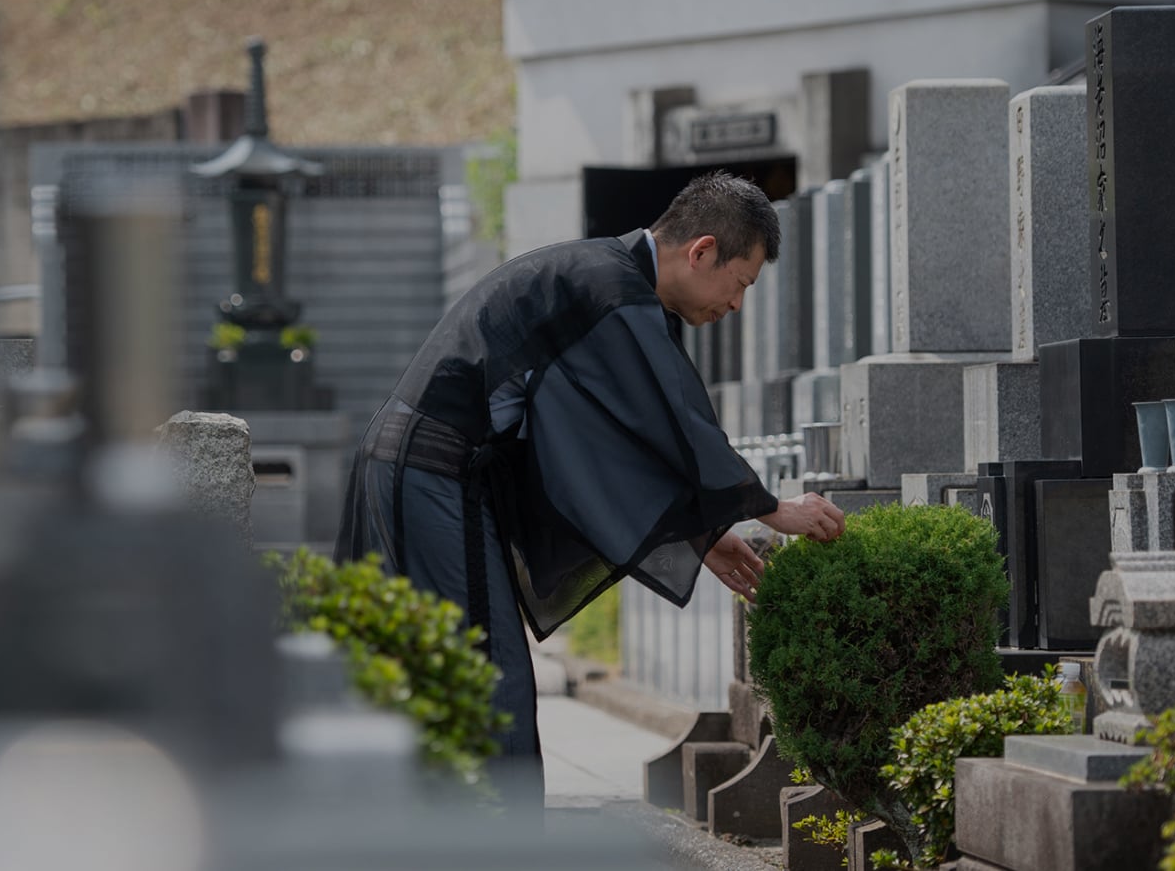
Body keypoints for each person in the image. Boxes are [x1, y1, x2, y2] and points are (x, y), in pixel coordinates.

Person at [334, 170, 846, 807]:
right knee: (487, 680)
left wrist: (704, 531)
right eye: (739, 283)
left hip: (418, 471)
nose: (735, 306)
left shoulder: (597, 275)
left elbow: (598, 436)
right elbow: (670, 420)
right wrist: (771, 508)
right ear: (703, 251)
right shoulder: (613, 288)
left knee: (438, 682)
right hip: (433, 475)